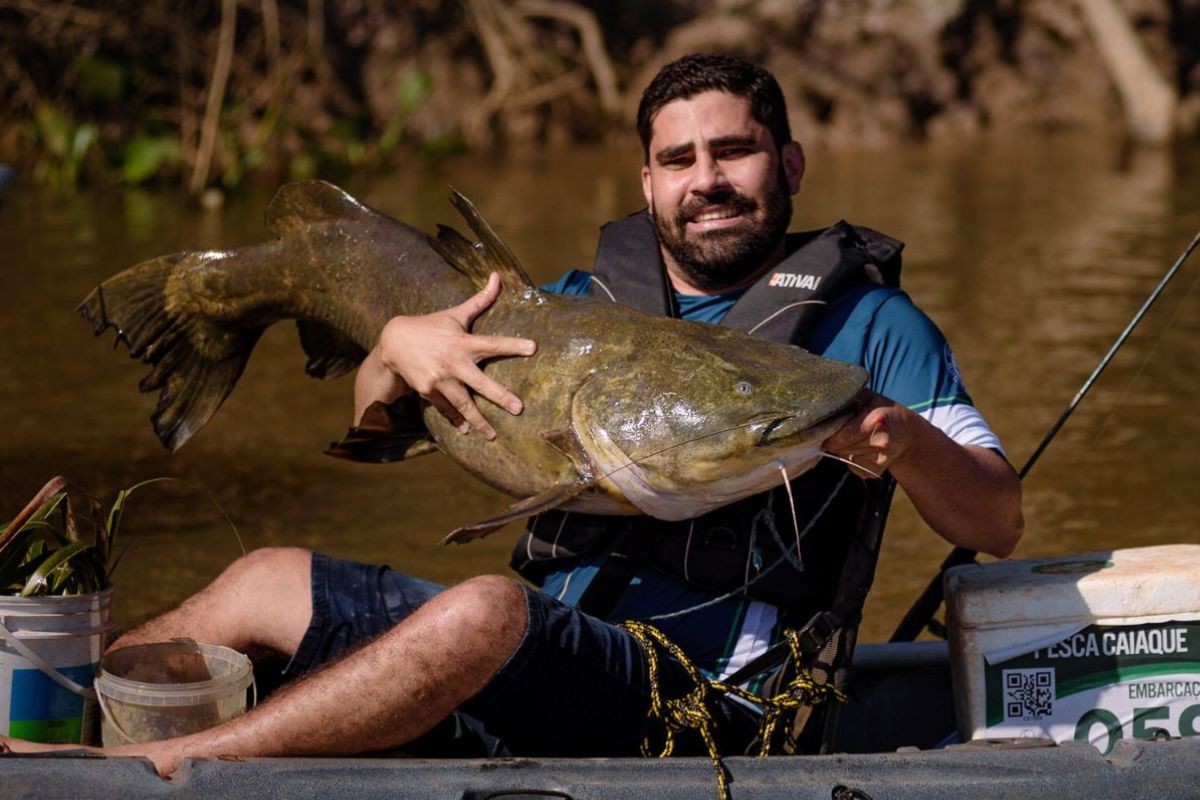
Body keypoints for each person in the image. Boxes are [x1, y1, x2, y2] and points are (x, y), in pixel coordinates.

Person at [2, 54, 1021, 772]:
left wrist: (908, 441)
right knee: (264, 579)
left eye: (735, 151)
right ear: (648, 181)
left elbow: (995, 518)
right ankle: (40, 737)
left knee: (485, 608)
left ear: (787, 166)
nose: (707, 180)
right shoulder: (575, 301)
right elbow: (369, 434)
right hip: (556, 647)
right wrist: (396, 353)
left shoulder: (873, 326)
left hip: (712, 702)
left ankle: (172, 762)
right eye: (680, 160)